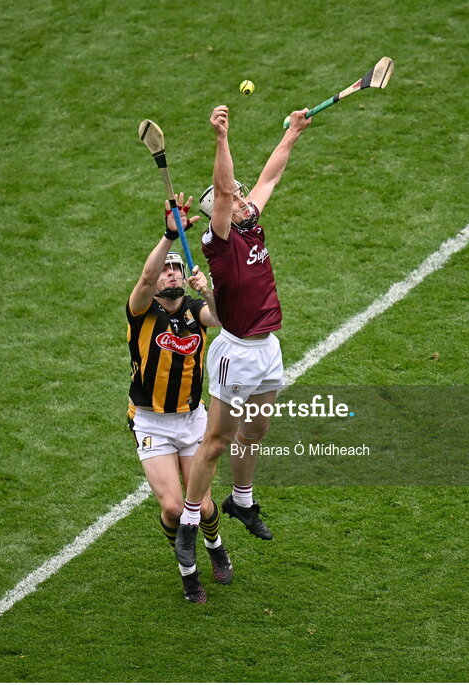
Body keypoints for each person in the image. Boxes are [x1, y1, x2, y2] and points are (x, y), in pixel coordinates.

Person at [175, 105, 311, 572]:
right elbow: (226, 182)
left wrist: (291, 133)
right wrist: (220, 140)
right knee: (215, 442)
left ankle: (242, 501)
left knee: (256, 432)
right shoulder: (222, 238)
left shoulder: (251, 221)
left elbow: (268, 179)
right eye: (231, 196)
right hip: (236, 353)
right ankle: (190, 525)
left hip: (269, 347)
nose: (241, 195)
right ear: (223, 212)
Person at [126, 193, 232, 604]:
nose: (169, 275)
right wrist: (169, 238)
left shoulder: (192, 311)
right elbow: (143, 280)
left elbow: (225, 319)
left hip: (192, 420)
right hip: (151, 421)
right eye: (164, 272)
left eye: (176, 271)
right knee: (173, 508)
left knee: (202, 507)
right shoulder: (140, 312)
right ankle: (189, 574)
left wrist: (208, 292)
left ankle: (215, 545)